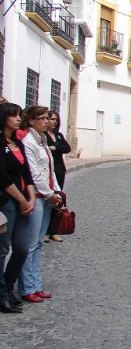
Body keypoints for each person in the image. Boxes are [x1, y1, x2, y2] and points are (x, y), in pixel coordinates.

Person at [20, 106, 62, 302]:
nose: (47, 121)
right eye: (42, 118)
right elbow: (34, 173)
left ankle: (36, 284)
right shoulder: (28, 142)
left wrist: (57, 192)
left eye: (47, 118)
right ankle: (27, 287)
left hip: (46, 197)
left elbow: (50, 170)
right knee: (30, 244)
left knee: (37, 243)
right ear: (31, 121)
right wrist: (49, 193)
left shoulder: (42, 140)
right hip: (37, 197)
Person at [0, 103, 35, 313]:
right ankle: (2, 295)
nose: (18, 119)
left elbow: (26, 173)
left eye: (19, 115)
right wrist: (22, 200)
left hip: (23, 200)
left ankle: (7, 286)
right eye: (14, 115)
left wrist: (31, 197)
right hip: (7, 202)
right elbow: (3, 177)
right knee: (3, 249)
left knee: (22, 248)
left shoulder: (18, 143)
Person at [44, 110, 71, 243]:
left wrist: (55, 148)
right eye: (51, 119)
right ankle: (44, 231)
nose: (54, 122)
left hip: (59, 170)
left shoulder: (58, 135)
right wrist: (56, 148)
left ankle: (53, 231)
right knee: (48, 200)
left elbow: (67, 148)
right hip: (48, 170)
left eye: (56, 119)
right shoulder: (43, 135)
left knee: (58, 199)